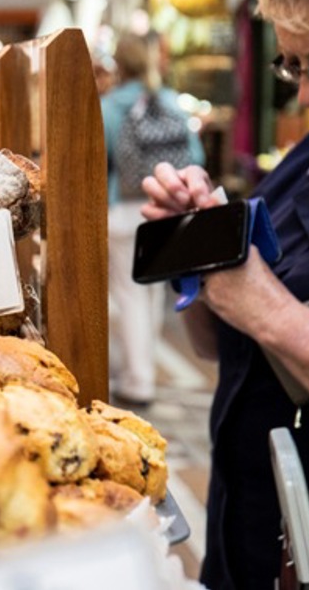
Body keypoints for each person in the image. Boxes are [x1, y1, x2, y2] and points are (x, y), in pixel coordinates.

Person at [141, 0, 309, 587]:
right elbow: (218, 346)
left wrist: (270, 309)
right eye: (295, 65)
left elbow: (267, 318)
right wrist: (205, 252)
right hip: (246, 541)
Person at [102, 31, 204, 407]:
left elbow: (99, 158)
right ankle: (146, 369)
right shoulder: (171, 102)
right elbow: (196, 156)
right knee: (154, 294)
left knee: (129, 296)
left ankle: (138, 380)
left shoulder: (110, 105)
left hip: (124, 210)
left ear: (120, 64)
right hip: (166, 209)